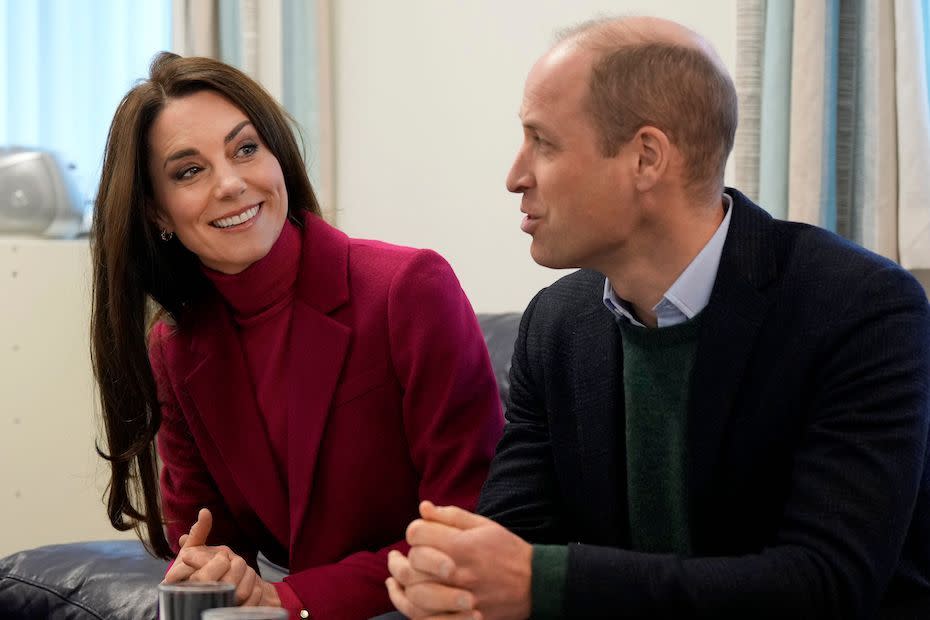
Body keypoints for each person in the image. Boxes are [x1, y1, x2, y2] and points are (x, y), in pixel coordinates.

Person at [385, 15, 930, 619]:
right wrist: (450, 579)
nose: (515, 177)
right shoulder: (557, 322)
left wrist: (547, 583)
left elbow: (828, 582)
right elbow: (515, 539)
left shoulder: (861, 307)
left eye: (543, 142)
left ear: (646, 158)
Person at [90, 51, 504, 619]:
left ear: (277, 157)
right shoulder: (175, 349)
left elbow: (470, 526)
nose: (232, 184)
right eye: (189, 171)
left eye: (245, 149)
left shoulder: (407, 287)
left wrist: (292, 599)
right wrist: (212, 571)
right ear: (157, 214)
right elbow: (208, 538)